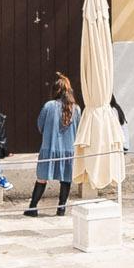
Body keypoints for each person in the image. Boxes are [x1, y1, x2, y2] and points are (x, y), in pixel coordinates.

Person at [29, 72, 79, 218]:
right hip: (68, 150)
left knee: (42, 178)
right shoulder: (77, 109)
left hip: (49, 148)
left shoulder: (49, 106)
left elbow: (40, 125)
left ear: (55, 90)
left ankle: (33, 207)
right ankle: (61, 209)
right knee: (66, 179)